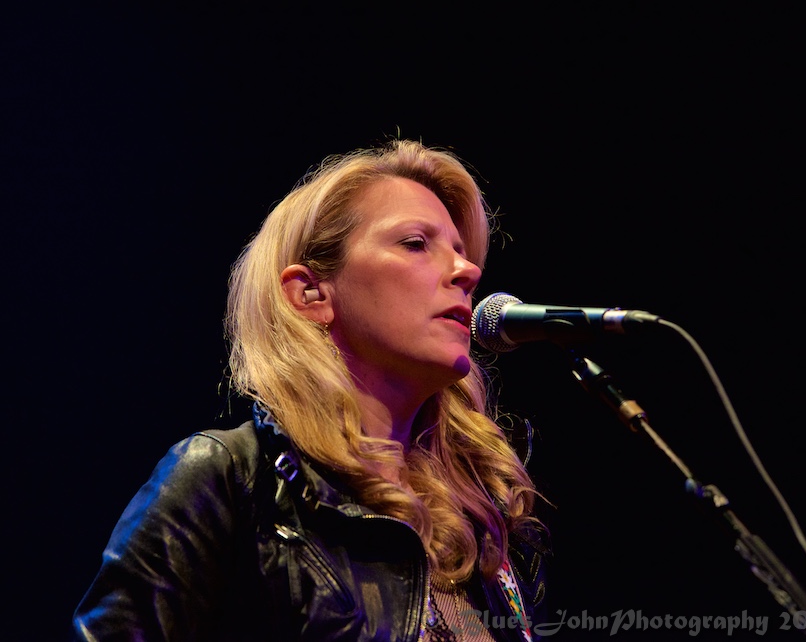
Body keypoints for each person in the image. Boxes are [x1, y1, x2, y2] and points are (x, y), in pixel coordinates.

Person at [71, 139, 552, 641]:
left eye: (459, 251)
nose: (468, 271)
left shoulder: (481, 520)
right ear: (311, 294)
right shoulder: (232, 480)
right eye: (415, 243)